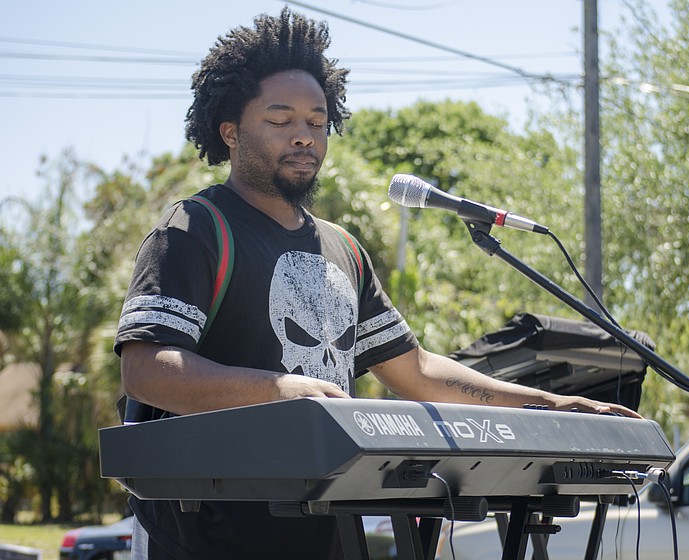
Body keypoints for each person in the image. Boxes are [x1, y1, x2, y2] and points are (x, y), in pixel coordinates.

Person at [114, 7, 640, 559]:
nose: (304, 137)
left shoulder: (342, 248)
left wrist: (547, 405)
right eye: (280, 120)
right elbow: (146, 371)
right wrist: (280, 391)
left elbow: (417, 371)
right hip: (203, 539)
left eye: (317, 122)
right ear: (231, 132)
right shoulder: (195, 230)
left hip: (327, 535)